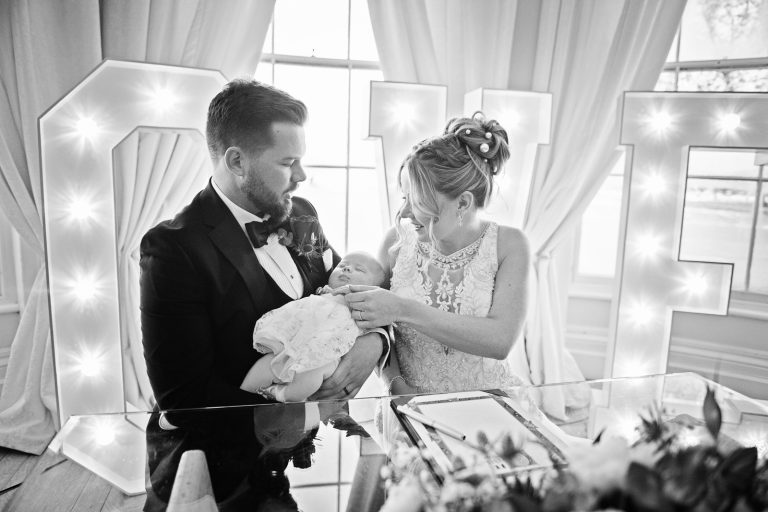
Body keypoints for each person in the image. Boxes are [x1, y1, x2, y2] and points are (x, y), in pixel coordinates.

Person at [140, 79, 387, 508]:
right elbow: (185, 400)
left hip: (278, 468)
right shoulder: (173, 249)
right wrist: (308, 412)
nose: (302, 176)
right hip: (210, 474)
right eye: (288, 162)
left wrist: (373, 343)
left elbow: (357, 293)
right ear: (237, 161)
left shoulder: (303, 216)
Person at [336, 114, 530, 395]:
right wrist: (394, 382)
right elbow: (376, 330)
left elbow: (500, 341)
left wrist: (403, 309)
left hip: (487, 405)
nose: (403, 213)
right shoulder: (396, 243)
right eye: (404, 198)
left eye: (416, 201)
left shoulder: (509, 245)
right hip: (409, 405)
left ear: (462, 202)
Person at [241, 251, 386, 402]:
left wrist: (377, 339)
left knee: (311, 376)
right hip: (294, 344)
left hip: (325, 354)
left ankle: (284, 394)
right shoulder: (324, 292)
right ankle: (244, 396)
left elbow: (383, 318)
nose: (347, 269)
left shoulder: (362, 306)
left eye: (360, 269)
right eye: (342, 265)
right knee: (266, 365)